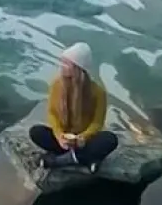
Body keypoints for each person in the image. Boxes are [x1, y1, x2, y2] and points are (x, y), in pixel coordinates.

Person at [29, 42, 118, 173]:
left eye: (66, 63)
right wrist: (59, 136)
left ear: (78, 68)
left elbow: (97, 122)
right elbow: (52, 113)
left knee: (110, 139)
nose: (61, 66)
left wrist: (83, 137)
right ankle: (86, 159)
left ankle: (59, 160)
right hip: (64, 140)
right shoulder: (57, 84)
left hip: (84, 141)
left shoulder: (97, 91)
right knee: (36, 132)